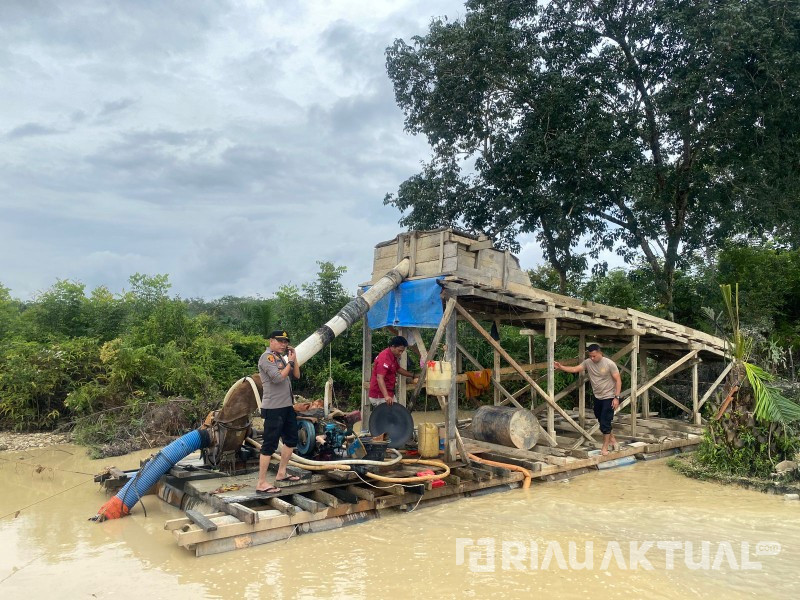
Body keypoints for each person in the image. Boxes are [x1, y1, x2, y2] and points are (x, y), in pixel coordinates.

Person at [554, 343, 622, 455]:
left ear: (600, 353)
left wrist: (616, 397)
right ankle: (612, 439)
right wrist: (561, 367)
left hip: (609, 396)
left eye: (594, 356)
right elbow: (575, 369)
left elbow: (618, 380)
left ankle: (605, 447)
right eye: (590, 356)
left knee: (605, 421)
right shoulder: (588, 362)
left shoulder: (609, 364)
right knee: (600, 420)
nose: (592, 358)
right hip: (598, 396)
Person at [256, 330, 301, 494]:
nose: (283, 344)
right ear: (271, 341)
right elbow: (277, 378)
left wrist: (294, 359)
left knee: (291, 439)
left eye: (285, 342)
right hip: (273, 408)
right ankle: (261, 482)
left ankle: (281, 473)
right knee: (269, 444)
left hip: (287, 406)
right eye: (280, 341)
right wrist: (289, 362)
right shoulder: (266, 358)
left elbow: (296, 375)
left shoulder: (281, 358)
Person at [368, 335, 417, 407]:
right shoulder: (384, 358)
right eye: (399, 350)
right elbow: (379, 378)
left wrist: (413, 375)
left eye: (402, 351)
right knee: (390, 414)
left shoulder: (392, 356)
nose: (400, 353)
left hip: (389, 393)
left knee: (397, 412)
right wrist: (386, 396)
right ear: (393, 347)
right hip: (380, 395)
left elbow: (398, 369)